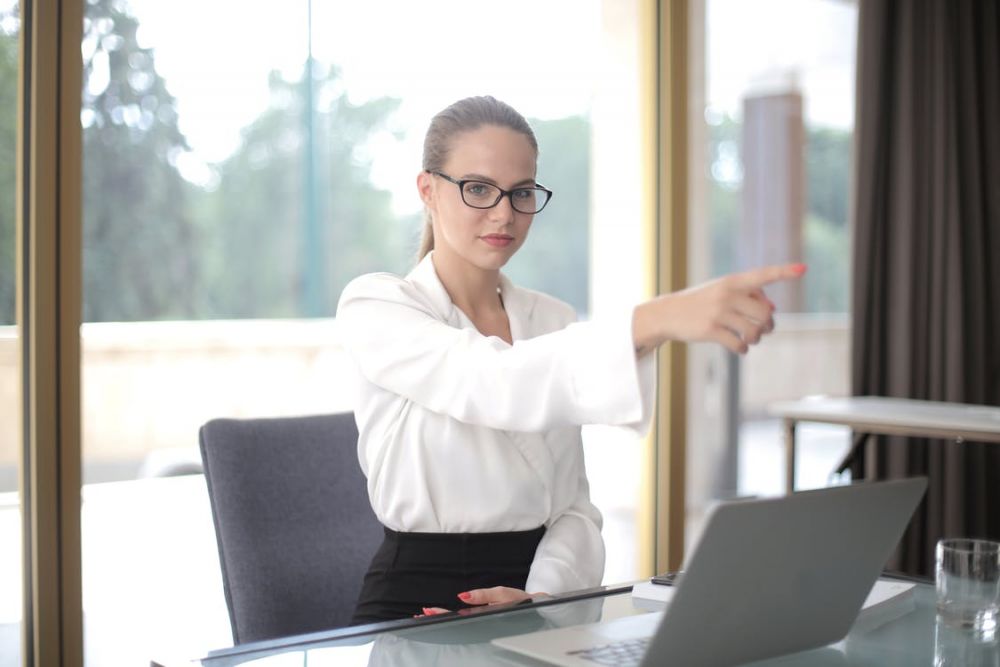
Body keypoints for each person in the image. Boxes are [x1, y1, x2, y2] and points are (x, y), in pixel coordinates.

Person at [337, 95, 805, 625]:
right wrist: (657, 319)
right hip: (416, 606)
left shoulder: (551, 319)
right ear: (428, 190)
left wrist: (543, 599)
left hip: (533, 602)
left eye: (521, 193)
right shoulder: (378, 305)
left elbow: (575, 511)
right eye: (478, 189)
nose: (503, 213)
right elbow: (490, 380)